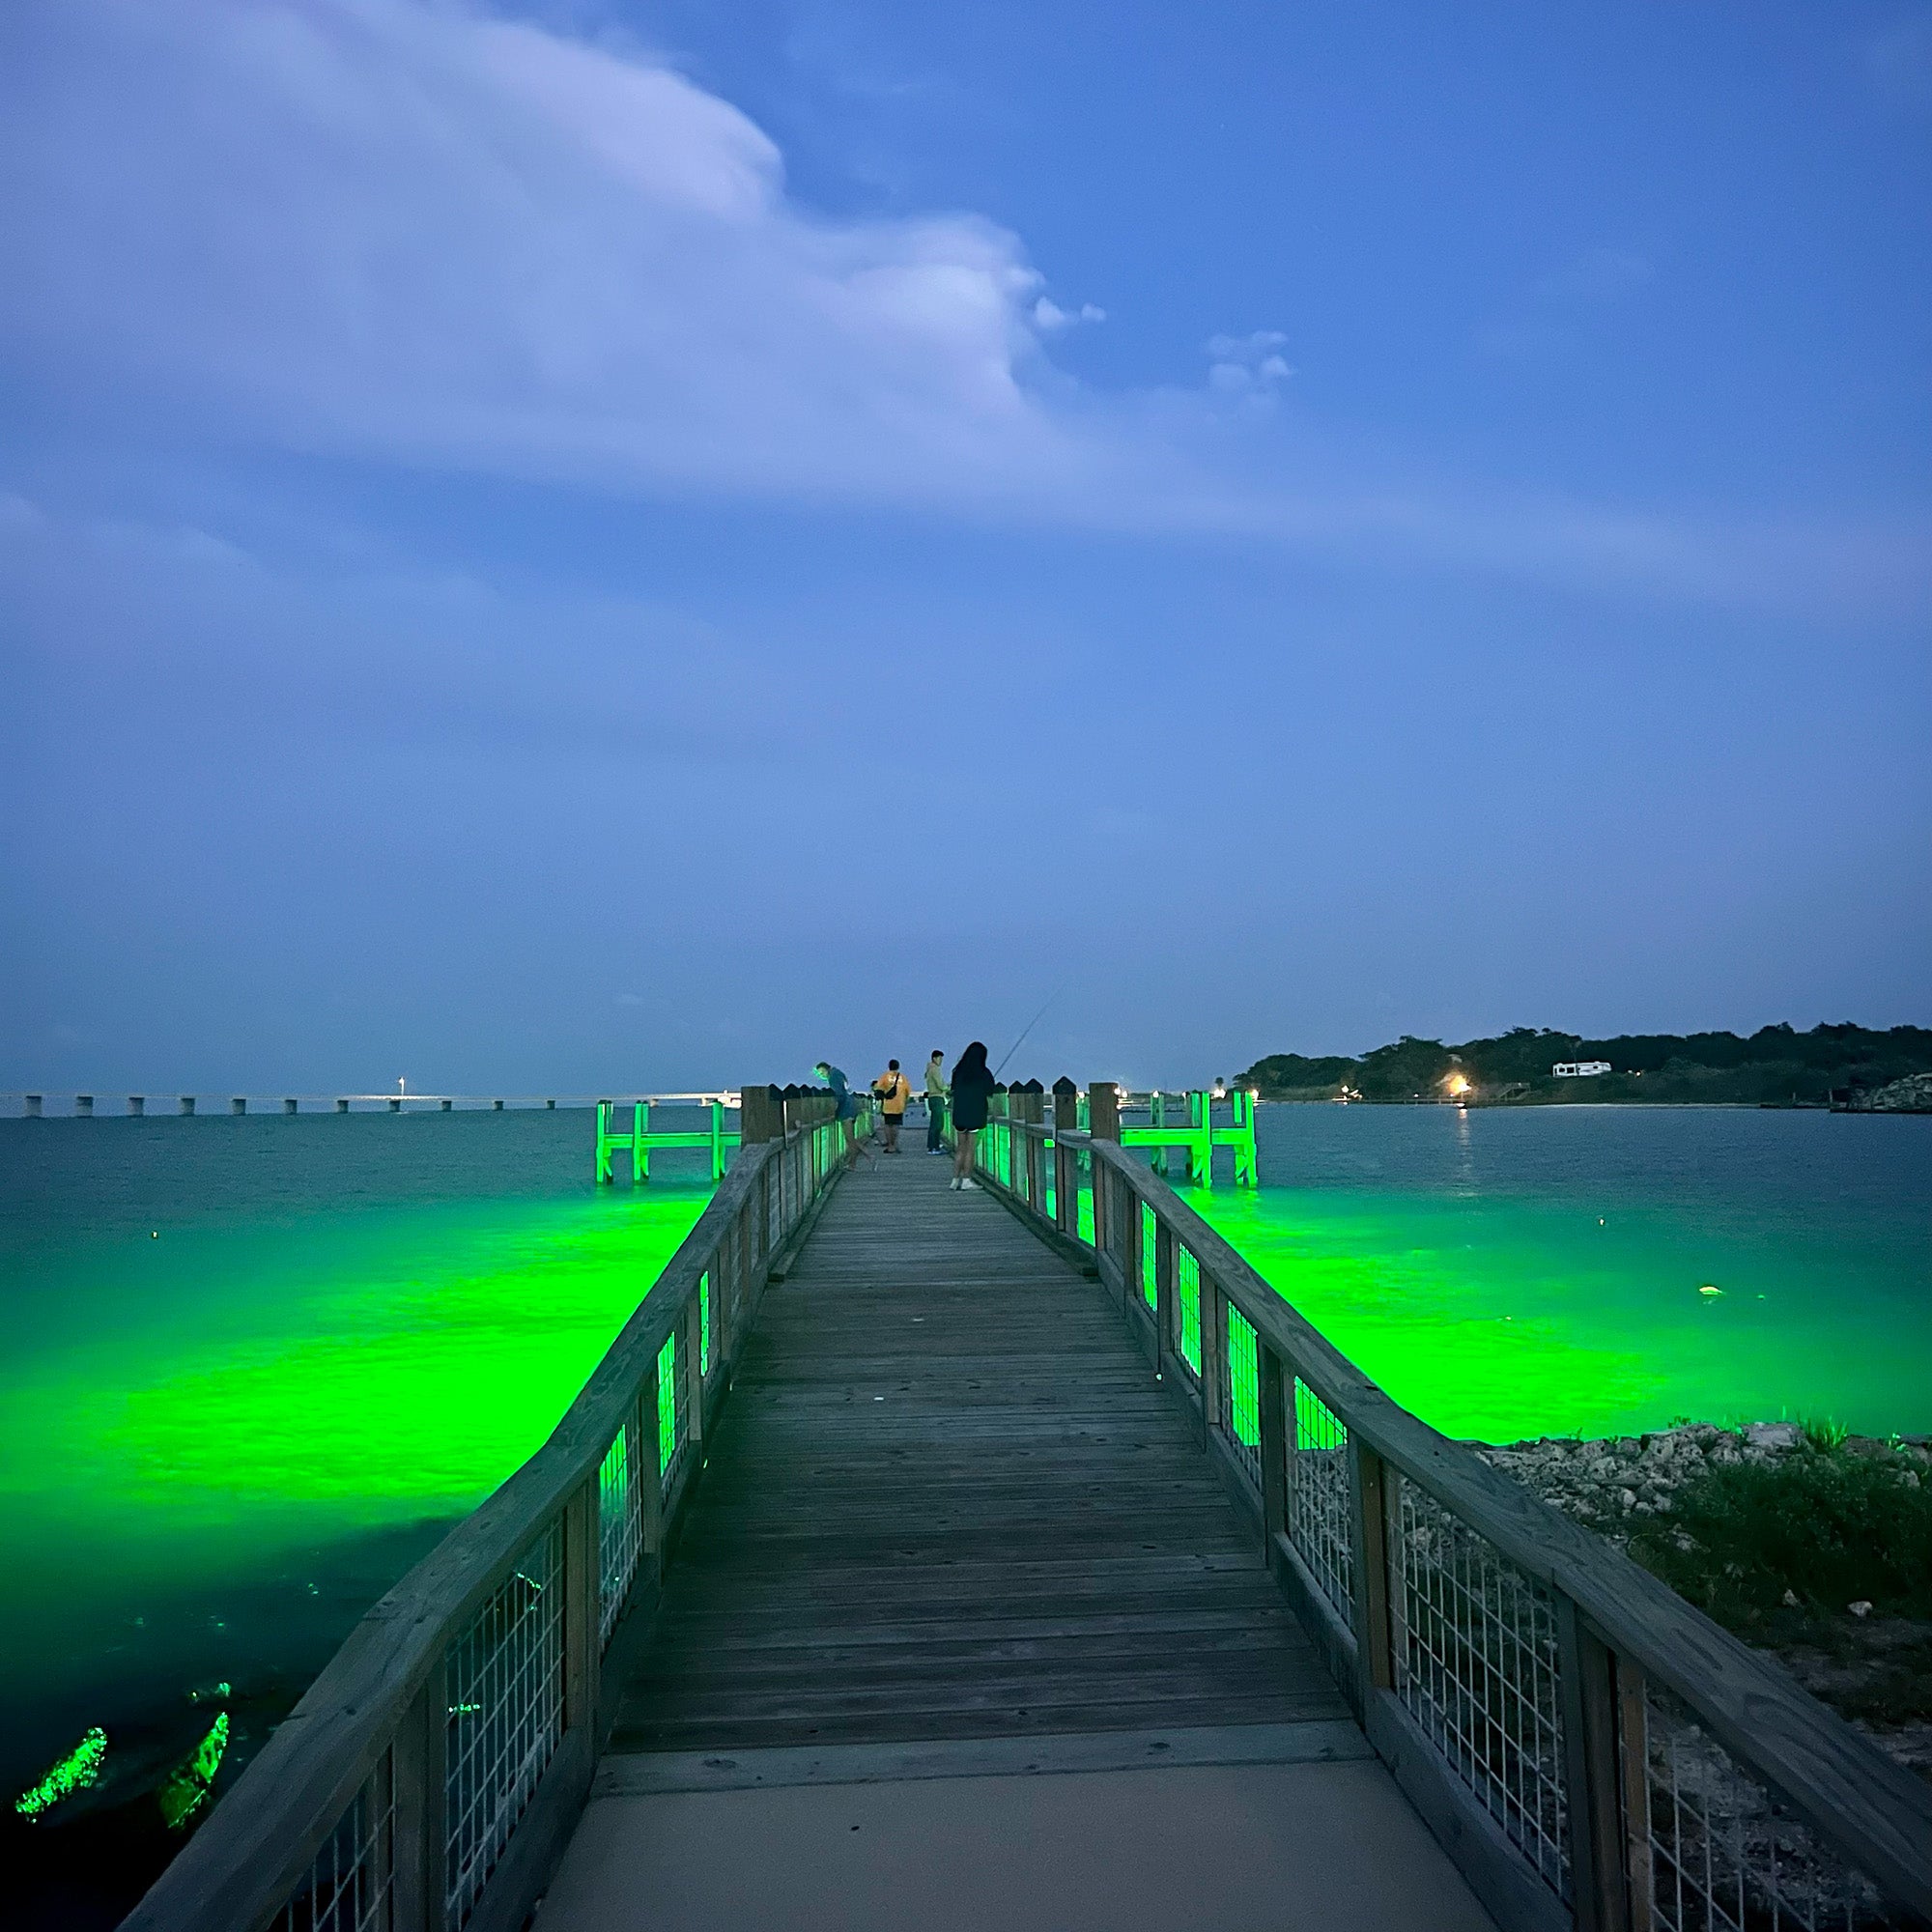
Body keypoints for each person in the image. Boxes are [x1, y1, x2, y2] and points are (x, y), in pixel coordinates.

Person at [948, 1040, 996, 1190]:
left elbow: (953, 1090)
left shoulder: (958, 1072)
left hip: (960, 1114)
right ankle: (967, 1180)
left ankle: (955, 1180)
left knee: (960, 1148)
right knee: (970, 1149)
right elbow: (990, 1094)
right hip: (976, 1114)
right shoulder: (983, 1072)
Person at [813, 1061, 875, 1171]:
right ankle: (867, 1156)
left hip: (845, 1111)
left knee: (850, 1140)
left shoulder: (833, 1076)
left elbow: (839, 1094)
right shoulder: (838, 1073)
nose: (821, 1075)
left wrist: (833, 1109)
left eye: (821, 1072)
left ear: (826, 1069)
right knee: (851, 1139)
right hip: (850, 1108)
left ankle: (854, 1164)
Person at [872, 1059, 911, 1153]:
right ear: (898, 1067)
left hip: (888, 1105)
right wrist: (905, 1104)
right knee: (896, 1126)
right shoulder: (903, 1077)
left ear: (889, 1066)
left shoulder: (884, 1076)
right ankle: (895, 1145)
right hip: (899, 1105)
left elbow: (878, 1088)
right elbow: (908, 1092)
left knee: (888, 1126)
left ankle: (890, 1146)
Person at [923, 1049, 949, 1153]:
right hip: (937, 1098)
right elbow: (940, 1084)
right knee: (938, 1124)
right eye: (940, 1058)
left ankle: (933, 1145)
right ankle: (934, 1147)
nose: (941, 1061)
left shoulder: (929, 1069)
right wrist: (947, 1088)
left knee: (934, 1123)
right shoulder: (935, 1069)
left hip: (932, 1098)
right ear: (935, 1058)